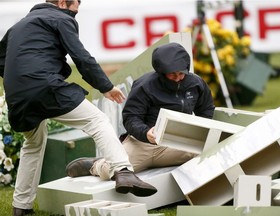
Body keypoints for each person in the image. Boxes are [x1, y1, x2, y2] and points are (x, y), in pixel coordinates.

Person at [0, 1, 157, 215]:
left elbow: (2, 61)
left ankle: (21, 206)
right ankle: (123, 171)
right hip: (46, 86)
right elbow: (81, 57)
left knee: (32, 144)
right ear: (63, 3)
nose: (77, 11)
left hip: (17, 95)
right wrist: (106, 86)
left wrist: (24, 82)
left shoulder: (17, 26)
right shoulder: (61, 18)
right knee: (97, 121)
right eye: (76, 5)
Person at [66, 43, 215, 177]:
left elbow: (206, 109)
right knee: (114, 172)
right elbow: (130, 118)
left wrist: (198, 132)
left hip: (177, 144)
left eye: (181, 73)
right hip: (142, 144)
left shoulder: (196, 83)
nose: (177, 78)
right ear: (161, 72)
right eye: (172, 74)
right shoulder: (144, 85)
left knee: (211, 153)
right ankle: (96, 165)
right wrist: (146, 133)